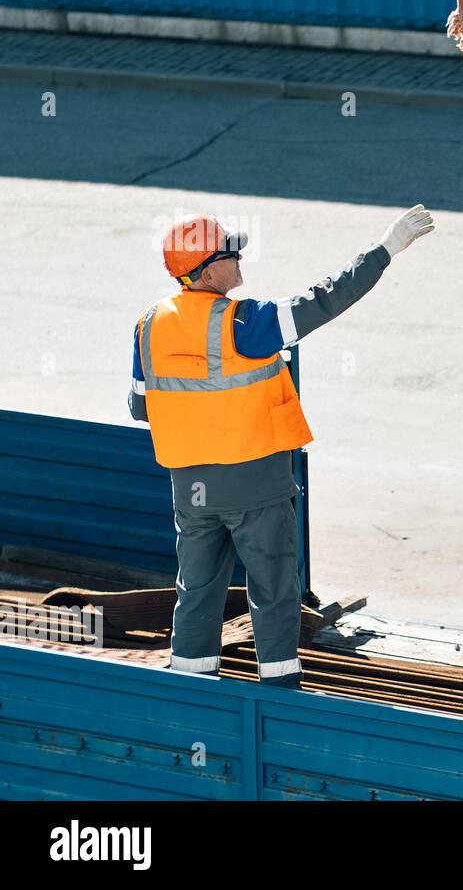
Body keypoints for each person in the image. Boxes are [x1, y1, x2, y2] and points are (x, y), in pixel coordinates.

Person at [129, 205, 435, 688]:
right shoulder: (245, 322)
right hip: (256, 486)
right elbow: (325, 301)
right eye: (232, 253)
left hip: (192, 490)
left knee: (198, 592)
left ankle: (190, 692)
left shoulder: (149, 325)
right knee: (272, 591)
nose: (241, 257)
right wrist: (385, 250)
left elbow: (140, 407)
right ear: (208, 270)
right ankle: (277, 697)